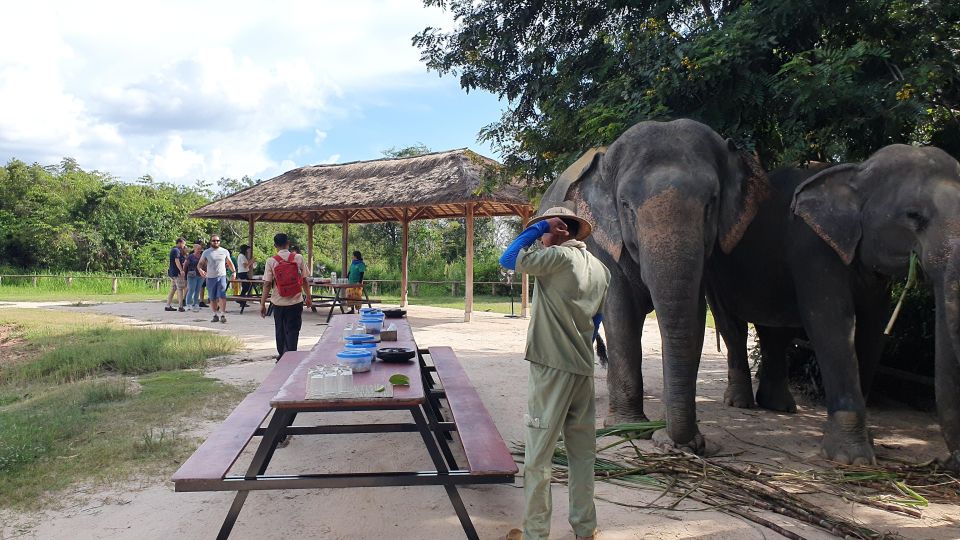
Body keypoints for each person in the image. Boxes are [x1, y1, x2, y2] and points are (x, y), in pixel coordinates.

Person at [499, 207, 610, 540]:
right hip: (581, 370)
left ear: (561, 230)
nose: (539, 236)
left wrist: (541, 228)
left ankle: (535, 533)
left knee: (538, 456)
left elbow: (508, 259)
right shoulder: (601, 269)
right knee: (582, 454)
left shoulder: (559, 258)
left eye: (544, 230)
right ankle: (585, 528)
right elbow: (598, 321)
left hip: (551, 370)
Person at [260, 233, 312, 358]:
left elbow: (267, 284)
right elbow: (304, 280)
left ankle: (282, 355)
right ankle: (291, 355)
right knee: (293, 330)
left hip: (278, 302)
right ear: (288, 243)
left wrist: (262, 304)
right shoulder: (298, 258)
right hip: (295, 301)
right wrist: (308, 297)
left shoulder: (271, 261)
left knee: (280, 330)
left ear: (275, 245)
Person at [198, 235, 236, 323]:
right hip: (210, 277)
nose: (216, 242)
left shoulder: (224, 251)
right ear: (211, 242)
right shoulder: (206, 252)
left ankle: (223, 314)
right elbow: (200, 264)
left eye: (217, 241)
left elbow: (229, 262)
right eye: (214, 241)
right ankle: (215, 314)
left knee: (222, 295)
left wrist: (234, 272)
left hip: (221, 276)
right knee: (212, 297)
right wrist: (200, 270)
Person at [165, 238, 187, 312]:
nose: (184, 245)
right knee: (180, 288)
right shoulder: (176, 250)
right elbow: (177, 261)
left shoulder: (174, 250)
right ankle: (180, 306)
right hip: (176, 273)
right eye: (184, 243)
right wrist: (181, 270)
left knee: (173, 288)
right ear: (180, 243)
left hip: (172, 272)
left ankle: (168, 305)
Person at [184, 242, 206, 312]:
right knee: (191, 289)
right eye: (198, 249)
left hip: (201, 275)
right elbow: (185, 265)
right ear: (194, 249)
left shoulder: (202, 256)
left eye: (200, 249)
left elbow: (205, 265)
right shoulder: (190, 256)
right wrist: (184, 273)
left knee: (198, 290)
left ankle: (196, 303)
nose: (199, 250)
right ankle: (188, 304)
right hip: (192, 275)